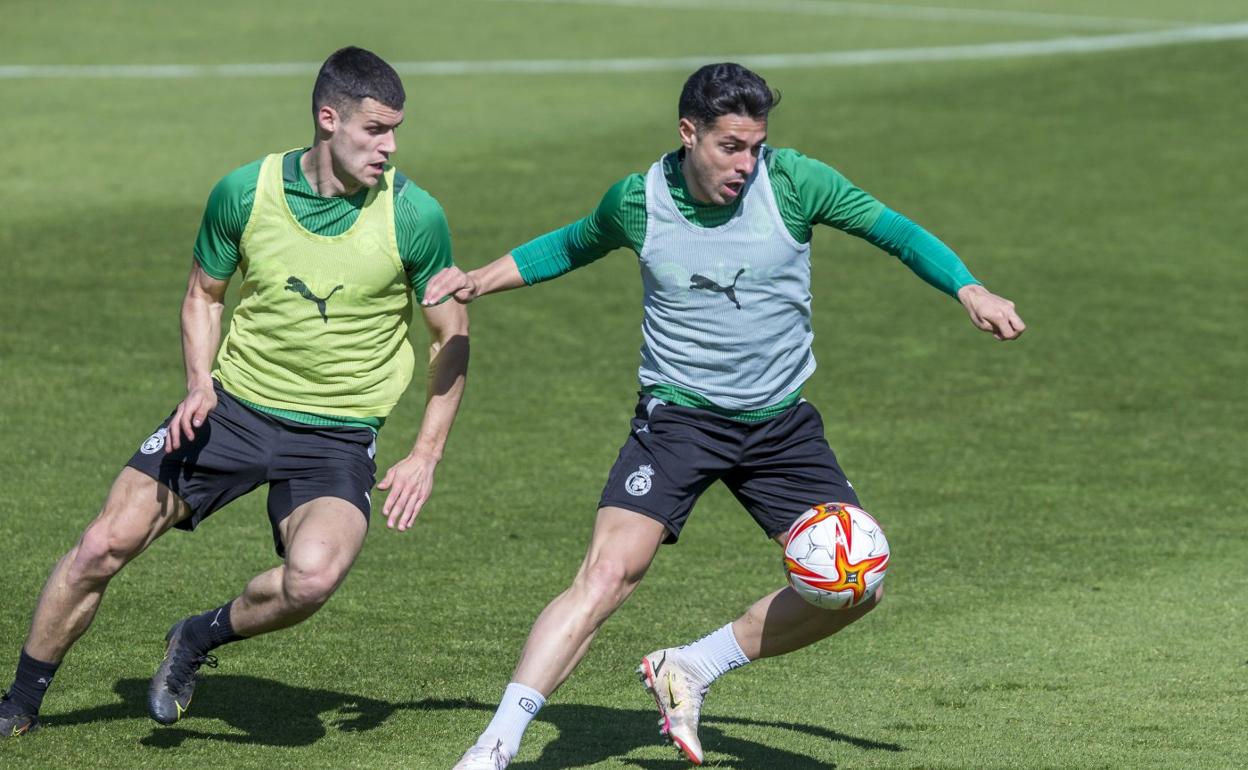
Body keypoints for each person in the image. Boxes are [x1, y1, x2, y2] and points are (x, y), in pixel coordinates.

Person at [430, 62, 1024, 768]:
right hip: (679, 420)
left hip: (780, 425)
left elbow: (895, 231)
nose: (746, 163)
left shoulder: (795, 182)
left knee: (857, 584)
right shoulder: (639, 201)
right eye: (730, 146)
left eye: (755, 146)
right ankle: (497, 743)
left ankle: (693, 667)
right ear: (690, 134)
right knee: (609, 573)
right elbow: (569, 244)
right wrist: (478, 280)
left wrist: (969, 289)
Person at [0, 46, 469, 737]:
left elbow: (449, 335)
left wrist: (426, 453)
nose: (389, 146)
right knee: (103, 543)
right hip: (233, 409)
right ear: (328, 118)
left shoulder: (414, 215)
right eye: (375, 130)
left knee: (312, 578)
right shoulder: (245, 192)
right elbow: (204, 295)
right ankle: (19, 702)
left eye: (395, 130)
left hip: (335, 435)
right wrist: (198, 383)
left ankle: (197, 636)